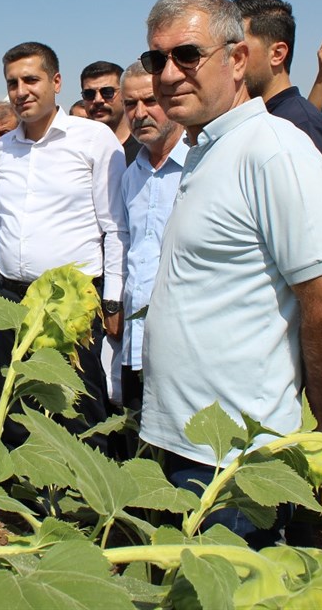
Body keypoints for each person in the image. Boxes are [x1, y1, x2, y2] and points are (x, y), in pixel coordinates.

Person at [138, 0, 322, 546]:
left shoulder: (273, 151)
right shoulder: (210, 149)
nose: (169, 74)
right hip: (185, 446)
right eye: (155, 59)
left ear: (237, 60)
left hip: (234, 464)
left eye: (187, 55)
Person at [0, 41, 128, 453]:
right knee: (11, 398)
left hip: (71, 300)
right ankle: (22, 493)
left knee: (77, 400)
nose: (21, 91)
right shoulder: (5, 147)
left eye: (31, 79)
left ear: (56, 82)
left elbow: (115, 226)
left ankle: (83, 503)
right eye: (13, 82)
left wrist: (113, 299)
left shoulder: (94, 140)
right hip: (12, 294)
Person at [118, 61, 186, 419]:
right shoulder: (132, 176)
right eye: (131, 104)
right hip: (136, 340)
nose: (140, 113)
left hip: (184, 346)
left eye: (150, 100)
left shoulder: (199, 167)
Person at [234, 0, 322, 176]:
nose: (231, 60)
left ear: (277, 54)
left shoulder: (303, 125)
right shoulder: (259, 118)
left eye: (240, 50)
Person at [80, 60, 141, 164]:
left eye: (107, 92)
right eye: (89, 94)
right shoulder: (77, 148)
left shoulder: (146, 148)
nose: (98, 100)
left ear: (124, 94)